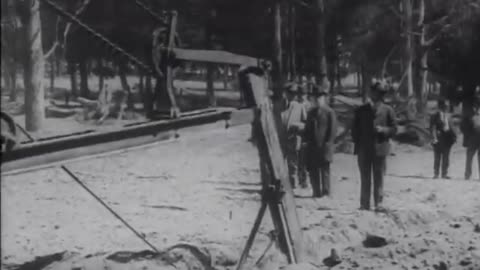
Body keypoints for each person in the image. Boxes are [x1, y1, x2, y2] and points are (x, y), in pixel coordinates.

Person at [352, 82, 397, 211]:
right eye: (374, 92)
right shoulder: (361, 110)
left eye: (379, 93)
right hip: (364, 150)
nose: (375, 95)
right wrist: (359, 143)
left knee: (379, 177)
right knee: (365, 177)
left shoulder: (388, 110)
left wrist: (384, 130)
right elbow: (354, 130)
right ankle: (364, 204)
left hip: (380, 149)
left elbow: (394, 129)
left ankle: (378, 203)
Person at [304, 85, 337, 197]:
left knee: (325, 170)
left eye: (320, 97)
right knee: (313, 170)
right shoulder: (310, 113)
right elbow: (307, 129)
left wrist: (328, 145)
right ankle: (316, 191)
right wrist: (306, 142)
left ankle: (326, 192)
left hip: (325, 146)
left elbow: (332, 131)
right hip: (312, 147)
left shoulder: (329, 112)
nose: (318, 99)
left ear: (324, 98)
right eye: (315, 97)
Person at [281, 82, 307, 188]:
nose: (292, 96)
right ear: (285, 93)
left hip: (293, 139)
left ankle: (293, 184)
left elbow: (306, 124)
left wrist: (298, 126)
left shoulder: (299, 107)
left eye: (294, 94)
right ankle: (280, 182)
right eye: (290, 93)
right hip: (280, 140)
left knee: (293, 163)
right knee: (279, 162)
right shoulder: (278, 106)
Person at [430, 98, 456, 179]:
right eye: (445, 106)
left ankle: (444, 174)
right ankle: (436, 173)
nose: (447, 107)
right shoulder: (435, 116)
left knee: (446, 157)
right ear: (441, 106)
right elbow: (433, 127)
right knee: (437, 157)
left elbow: (452, 127)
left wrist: (454, 137)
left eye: (447, 106)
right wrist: (434, 138)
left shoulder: (449, 116)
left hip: (447, 139)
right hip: (439, 138)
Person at [462, 89, 480, 180]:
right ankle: (467, 174)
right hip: (472, 138)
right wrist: (467, 137)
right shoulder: (469, 114)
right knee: (469, 157)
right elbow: (464, 127)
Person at [298, 84, 313, 188]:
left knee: (305, 159)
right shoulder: (295, 105)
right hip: (297, 135)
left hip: (306, 135)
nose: (301, 96)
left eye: (303, 94)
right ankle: (299, 179)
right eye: (299, 94)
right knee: (298, 159)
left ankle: (305, 180)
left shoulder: (309, 106)